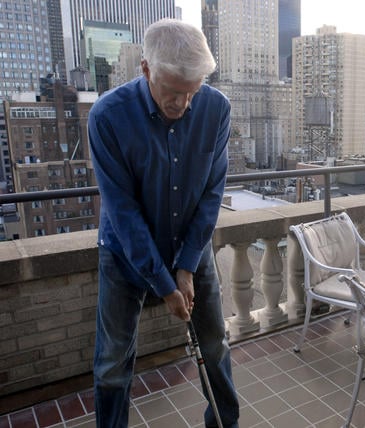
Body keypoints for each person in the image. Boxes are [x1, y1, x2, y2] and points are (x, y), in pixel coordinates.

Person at [88, 19, 239, 428]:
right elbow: (122, 212)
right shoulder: (107, 117)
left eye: (191, 92)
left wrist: (187, 266)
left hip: (192, 244)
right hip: (123, 251)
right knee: (112, 363)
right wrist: (164, 283)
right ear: (146, 69)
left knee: (215, 345)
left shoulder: (217, 109)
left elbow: (211, 196)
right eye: (172, 91)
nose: (182, 105)